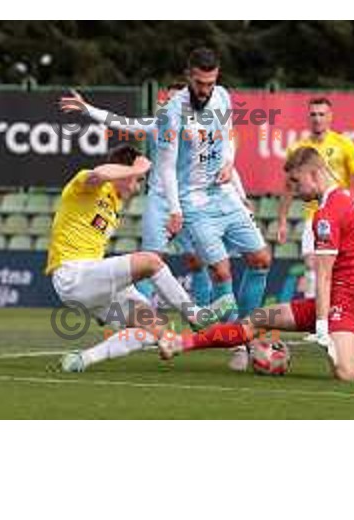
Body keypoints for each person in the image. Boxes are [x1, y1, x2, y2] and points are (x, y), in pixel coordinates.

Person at [159, 147, 354, 386]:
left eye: (297, 182)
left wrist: (323, 325)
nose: (295, 190)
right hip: (344, 296)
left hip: (349, 299)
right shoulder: (343, 198)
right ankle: (181, 343)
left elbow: (324, 274)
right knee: (256, 320)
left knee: (347, 373)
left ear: (314, 174)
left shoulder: (327, 215)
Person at [59, 81, 248, 308]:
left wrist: (241, 194)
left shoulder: (203, 131)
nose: (170, 104)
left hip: (190, 200)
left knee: (199, 261)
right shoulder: (159, 124)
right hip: (160, 201)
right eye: (167, 100)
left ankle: (205, 315)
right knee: (151, 258)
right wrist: (87, 109)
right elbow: (122, 122)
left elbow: (223, 162)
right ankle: (144, 311)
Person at [48, 144, 221, 373]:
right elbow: (101, 173)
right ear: (123, 171)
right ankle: (194, 314)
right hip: (73, 275)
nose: (138, 187)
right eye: (137, 179)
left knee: (156, 329)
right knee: (150, 261)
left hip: (93, 285)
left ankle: (82, 360)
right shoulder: (85, 187)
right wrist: (136, 167)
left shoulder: (115, 203)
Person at [159, 47, 271, 371]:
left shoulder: (222, 97)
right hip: (193, 201)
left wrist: (230, 165)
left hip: (223, 193)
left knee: (261, 260)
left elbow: (228, 137)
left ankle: (246, 329)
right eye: (199, 83)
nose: (205, 90)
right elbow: (166, 167)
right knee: (221, 271)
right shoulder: (171, 112)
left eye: (210, 83)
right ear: (187, 76)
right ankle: (239, 342)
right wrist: (175, 210)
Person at [277, 97, 354, 342]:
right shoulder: (299, 149)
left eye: (322, 114)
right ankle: (320, 324)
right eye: (313, 114)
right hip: (313, 217)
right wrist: (283, 220)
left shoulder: (344, 144)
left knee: (350, 272)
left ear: (330, 117)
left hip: (342, 215)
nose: (317, 118)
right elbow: (288, 187)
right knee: (314, 267)